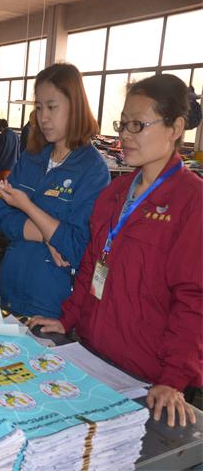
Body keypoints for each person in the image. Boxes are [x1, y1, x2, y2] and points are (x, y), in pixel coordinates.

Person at [30, 74, 202, 427]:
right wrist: (67, 320)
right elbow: (93, 265)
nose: (125, 135)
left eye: (137, 124)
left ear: (175, 128)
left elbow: (193, 299)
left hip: (148, 377)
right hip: (94, 356)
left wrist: (173, 379)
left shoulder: (191, 201)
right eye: (122, 124)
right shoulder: (115, 193)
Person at [0, 63, 110, 319]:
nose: (43, 117)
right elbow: (3, 218)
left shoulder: (92, 170)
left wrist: (26, 206)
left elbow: (78, 246)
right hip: (11, 288)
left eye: (51, 107)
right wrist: (48, 236)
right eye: (38, 108)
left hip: (52, 303)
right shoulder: (31, 158)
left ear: (75, 107)